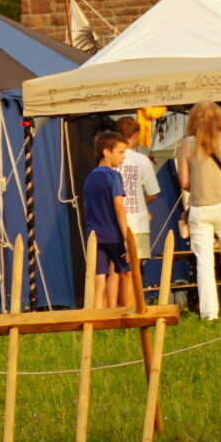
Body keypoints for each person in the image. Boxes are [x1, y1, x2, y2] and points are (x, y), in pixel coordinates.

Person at [175, 102, 221, 320]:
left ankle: (209, 313)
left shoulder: (188, 144)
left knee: (204, 262)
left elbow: (184, 181)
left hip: (200, 207)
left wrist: (200, 187)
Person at [81, 127, 138, 308]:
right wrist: (127, 238)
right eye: (120, 152)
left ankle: (98, 318)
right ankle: (129, 315)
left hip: (94, 235)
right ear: (106, 152)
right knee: (126, 274)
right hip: (113, 234)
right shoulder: (113, 176)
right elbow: (119, 207)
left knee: (99, 278)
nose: (123, 157)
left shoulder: (90, 178)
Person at [116, 114, 163, 277]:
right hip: (137, 221)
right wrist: (139, 201)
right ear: (135, 135)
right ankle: (135, 302)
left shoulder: (111, 159)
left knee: (115, 272)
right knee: (134, 271)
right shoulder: (141, 160)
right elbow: (153, 193)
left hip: (114, 222)